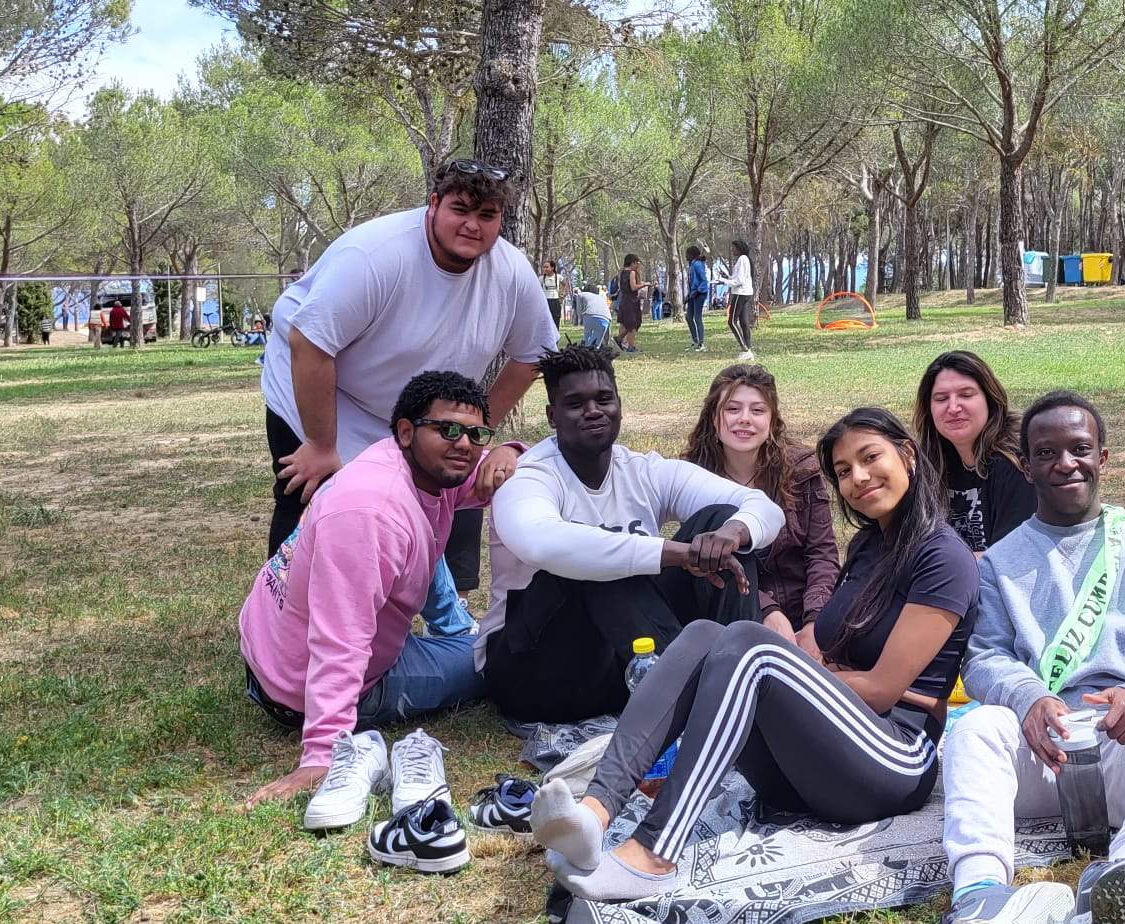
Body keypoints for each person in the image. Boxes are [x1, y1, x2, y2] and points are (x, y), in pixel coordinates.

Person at [528, 407, 977, 903]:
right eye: (844, 471)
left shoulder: (943, 556)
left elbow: (883, 689)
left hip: (893, 761)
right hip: (810, 775)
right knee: (702, 635)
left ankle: (654, 853)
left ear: (907, 455)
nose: (859, 478)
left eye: (870, 458)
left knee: (746, 645)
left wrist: (782, 670)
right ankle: (595, 814)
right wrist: (788, 668)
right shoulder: (871, 546)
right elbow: (829, 655)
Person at [942, 391, 1125, 924]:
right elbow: (983, 658)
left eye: (1080, 448)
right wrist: (1028, 697)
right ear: (1025, 467)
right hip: (1040, 750)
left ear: (1103, 457)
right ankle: (980, 895)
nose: (1065, 463)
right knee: (974, 729)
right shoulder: (998, 565)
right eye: (1046, 453)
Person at [258, 158, 557, 637]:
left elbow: (531, 357)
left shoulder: (511, 273)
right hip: (318, 384)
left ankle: (445, 615)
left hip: (411, 411)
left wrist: (476, 432)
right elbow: (309, 344)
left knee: (432, 497)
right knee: (318, 499)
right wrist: (321, 446)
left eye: (487, 216)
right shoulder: (376, 255)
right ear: (433, 204)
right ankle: (284, 625)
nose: (472, 226)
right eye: (460, 209)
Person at [238, 371, 521, 819]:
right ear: (406, 432)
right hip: (299, 685)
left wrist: (509, 451)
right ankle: (462, 643)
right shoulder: (372, 512)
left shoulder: (416, 468)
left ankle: (457, 633)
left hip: (275, 644)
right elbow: (340, 638)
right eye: (447, 430)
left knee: (424, 543)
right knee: (501, 655)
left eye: (476, 434)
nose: (464, 445)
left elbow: (492, 474)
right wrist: (321, 756)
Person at [477, 345, 787, 725]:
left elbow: (763, 508)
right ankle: (698, 697)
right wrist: (677, 553)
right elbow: (541, 541)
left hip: (621, 663)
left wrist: (733, 532)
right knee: (590, 560)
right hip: (531, 670)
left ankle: (733, 680)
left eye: (604, 399)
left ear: (619, 405)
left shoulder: (643, 470)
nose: (593, 410)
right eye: (575, 403)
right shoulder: (527, 475)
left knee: (722, 519)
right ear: (551, 416)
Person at [682, 364, 841, 643]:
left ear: (772, 421)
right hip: (734, 613)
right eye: (732, 409)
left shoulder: (802, 470)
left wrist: (816, 622)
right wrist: (766, 609)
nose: (745, 419)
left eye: (757, 410)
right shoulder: (693, 477)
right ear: (713, 418)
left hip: (807, 612)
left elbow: (822, 554)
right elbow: (710, 566)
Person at [913, 351, 1036, 555]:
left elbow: (1009, 559)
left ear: (989, 399)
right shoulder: (933, 462)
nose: (953, 407)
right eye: (941, 398)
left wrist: (936, 566)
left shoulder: (1014, 462)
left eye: (966, 395)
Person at [716, 239, 757, 361]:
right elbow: (736, 278)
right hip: (745, 293)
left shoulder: (742, 259)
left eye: (734, 248)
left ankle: (745, 349)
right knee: (744, 322)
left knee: (732, 322)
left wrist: (723, 281)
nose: (732, 250)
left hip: (740, 293)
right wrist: (726, 277)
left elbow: (739, 281)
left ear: (739, 249)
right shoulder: (744, 260)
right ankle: (747, 349)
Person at [613, 255, 647, 354]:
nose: (637, 266)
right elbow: (633, 287)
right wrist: (644, 284)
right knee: (633, 324)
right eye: (636, 263)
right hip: (631, 301)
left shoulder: (622, 273)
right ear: (632, 263)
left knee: (625, 323)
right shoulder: (631, 272)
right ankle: (622, 341)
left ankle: (625, 344)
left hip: (624, 300)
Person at [684, 245, 711, 352]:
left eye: (687, 254)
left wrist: (697, 291)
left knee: (697, 317)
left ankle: (701, 343)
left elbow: (704, 280)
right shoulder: (691, 265)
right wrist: (689, 295)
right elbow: (692, 282)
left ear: (692, 255)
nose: (685, 256)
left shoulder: (698, 265)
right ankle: (695, 340)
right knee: (689, 317)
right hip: (693, 294)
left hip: (700, 293)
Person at [577, 284, 612, 349]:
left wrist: (580, 318)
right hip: (606, 319)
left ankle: (585, 347)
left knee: (587, 339)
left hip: (589, 315)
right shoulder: (601, 298)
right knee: (596, 344)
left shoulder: (582, 294)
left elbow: (579, 310)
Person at [541, 259, 564, 326]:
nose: (545, 269)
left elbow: (565, 284)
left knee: (556, 320)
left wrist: (562, 294)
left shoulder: (558, 277)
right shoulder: (541, 278)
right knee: (546, 320)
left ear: (552, 268)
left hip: (555, 301)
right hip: (545, 301)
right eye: (544, 267)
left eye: (547, 267)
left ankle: (556, 335)